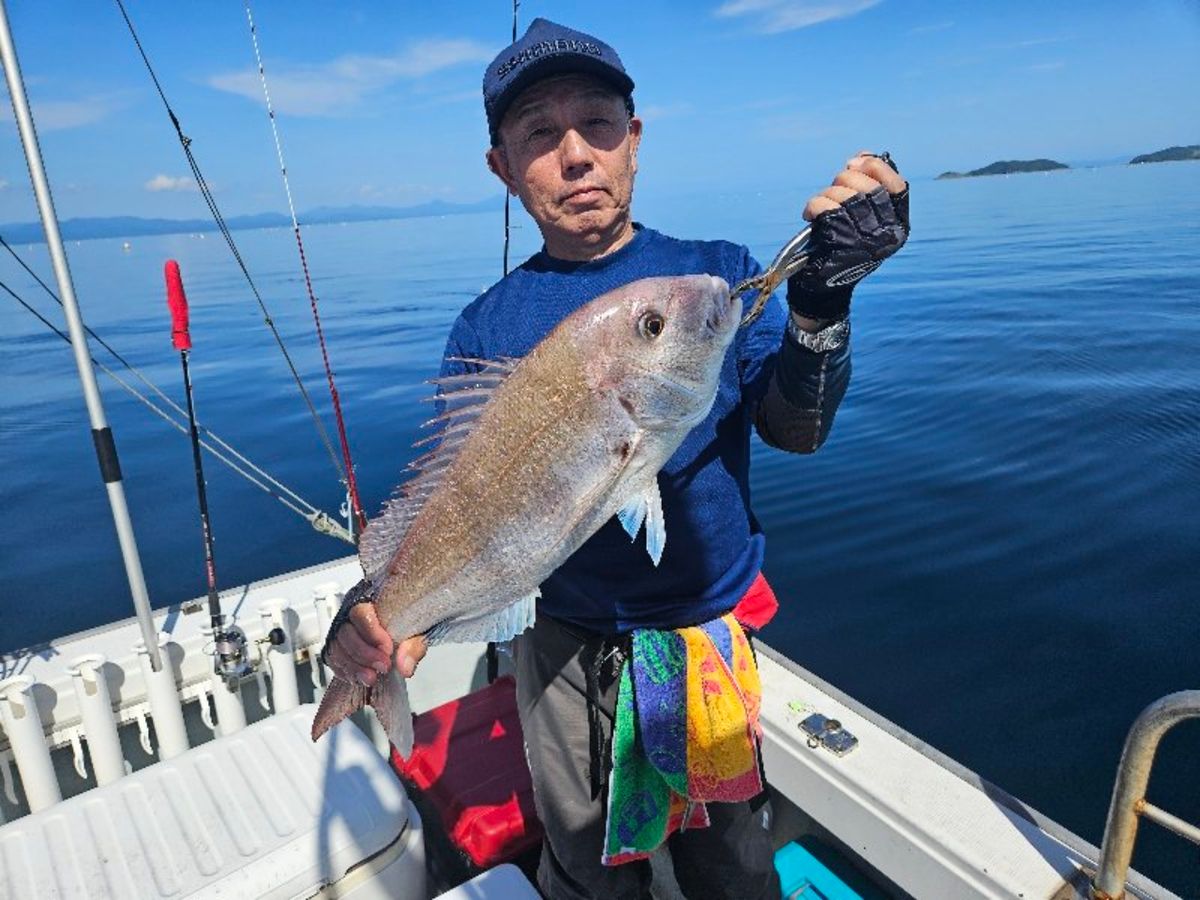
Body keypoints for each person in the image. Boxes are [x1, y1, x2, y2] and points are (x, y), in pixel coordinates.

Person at [323, 17, 908, 900]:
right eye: (538, 136)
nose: (575, 155)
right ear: (502, 168)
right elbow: (450, 494)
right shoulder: (485, 328)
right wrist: (374, 603)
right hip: (558, 645)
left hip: (702, 637)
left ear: (634, 139)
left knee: (730, 869)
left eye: (597, 124)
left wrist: (821, 307)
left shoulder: (712, 275)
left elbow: (798, 430)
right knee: (584, 859)